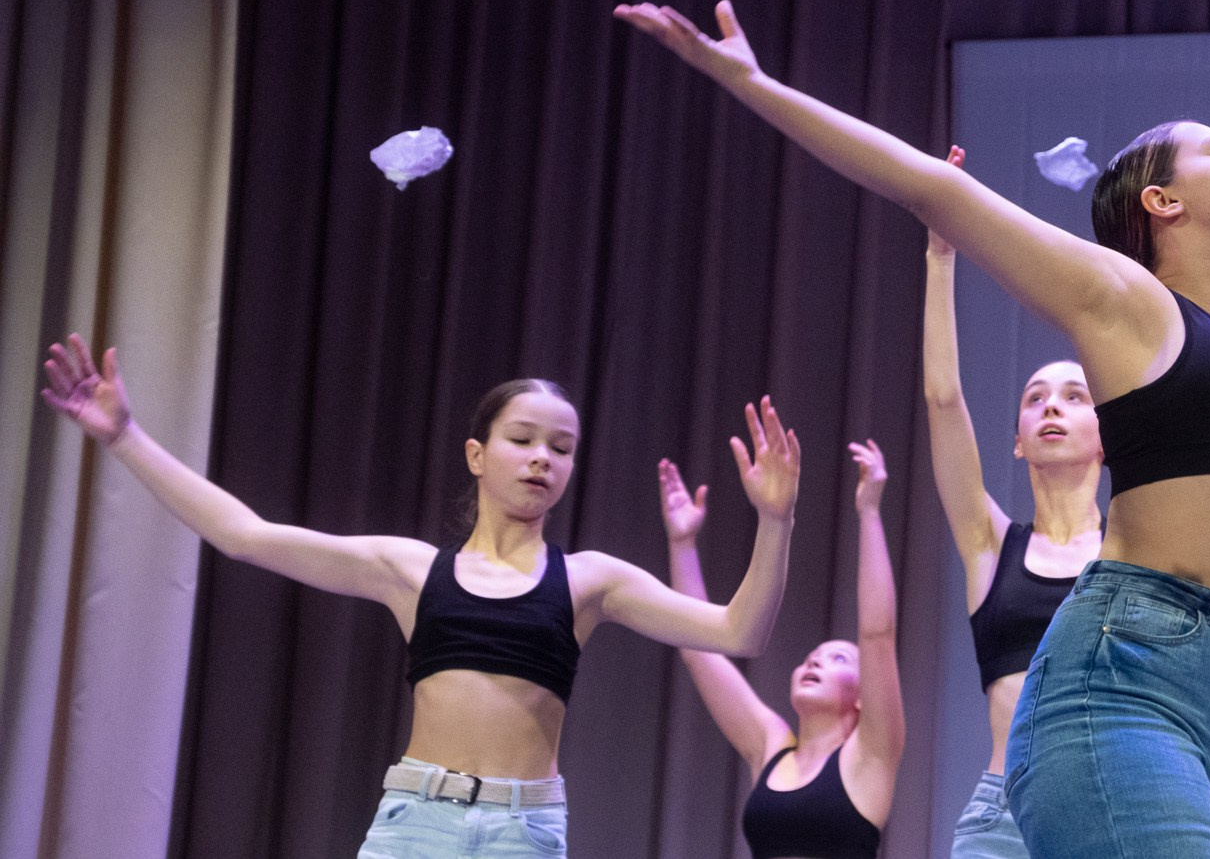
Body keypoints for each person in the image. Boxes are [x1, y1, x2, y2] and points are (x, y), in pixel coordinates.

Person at [613, 0, 1210, 857]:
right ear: (1162, 203)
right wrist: (752, 84)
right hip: (1119, 690)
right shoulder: (1125, 303)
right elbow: (929, 186)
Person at [38, 335, 800, 858]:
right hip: (416, 820)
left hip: (521, 829)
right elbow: (244, 534)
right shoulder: (409, 569)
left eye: (561, 448)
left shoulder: (590, 579)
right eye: (523, 438)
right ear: (477, 453)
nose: (542, 458)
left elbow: (741, 631)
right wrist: (125, 436)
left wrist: (776, 518)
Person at [924, 147, 1103, 857]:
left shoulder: (1134, 546)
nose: (1051, 408)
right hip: (1003, 820)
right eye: (1035, 399)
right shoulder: (989, 545)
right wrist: (942, 256)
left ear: (1106, 436)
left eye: (1074, 395)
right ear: (1019, 441)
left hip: (1111, 812)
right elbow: (943, 398)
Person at [660, 439, 904, 858]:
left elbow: (877, 632)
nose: (816, 661)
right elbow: (699, 652)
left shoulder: (871, 756)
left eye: (838, 659)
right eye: (813, 657)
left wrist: (869, 512)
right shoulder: (771, 746)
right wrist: (682, 545)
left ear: (864, 696)